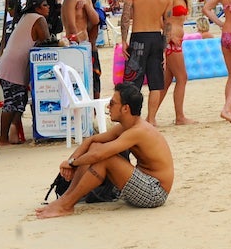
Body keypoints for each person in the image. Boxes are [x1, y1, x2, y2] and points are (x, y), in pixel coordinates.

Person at [35, 83, 175, 219]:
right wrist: (71, 161)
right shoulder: (126, 126)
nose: (108, 107)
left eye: (113, 103)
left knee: (105, 158)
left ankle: (66, 204)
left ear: (125, 108)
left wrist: (72, 163)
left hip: (155, 192)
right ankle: (65, 200)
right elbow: (92, 141)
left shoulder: (138, 131)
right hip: (141, 184)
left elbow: (99, 155)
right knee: (96, 145)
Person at [0, 0, 51, 144]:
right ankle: (3, 138)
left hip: (11, 65)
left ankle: (13, 132)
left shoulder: (27, 17)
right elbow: (46, 40)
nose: (48, 7)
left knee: (20, 100)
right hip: (12, 67)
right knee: (12, 103)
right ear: (37, 7)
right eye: (45, 5)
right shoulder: (38, 19)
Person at [151, 0, 199, 126]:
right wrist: (170, 35)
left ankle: (151, 117)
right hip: (172, 42)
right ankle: (179, 117)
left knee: (166, 81)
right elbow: (158, 15)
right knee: (182, 77)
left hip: (176, 41)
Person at [119, 0, 171, 96]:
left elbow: (125, 16)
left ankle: (134, 115)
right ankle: (152, 118)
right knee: (156, 84)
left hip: (139, 37)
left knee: (132, 81)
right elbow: (168, 25)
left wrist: (124, 41)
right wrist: (164, 48)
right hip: (156, 38)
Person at [62, 0, 102, 96]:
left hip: (87, 44)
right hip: (77, 45)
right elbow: (71, 25)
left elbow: (96, 20)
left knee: (95, 78)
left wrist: (86, 6)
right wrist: (78, 44)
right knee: (81, 81)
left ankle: (94, 109)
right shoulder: (70, 0)